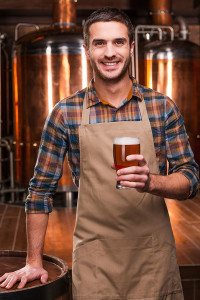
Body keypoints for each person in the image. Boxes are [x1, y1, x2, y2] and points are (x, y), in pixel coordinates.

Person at [0, 7, 199, 299]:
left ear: (132, 47)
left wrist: (152, 182)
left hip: (153, 259)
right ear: (87, 49)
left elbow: (191, 179)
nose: (110, 52)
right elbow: (40, 191)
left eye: (118, 42)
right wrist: (33, 261)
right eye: (100, 43)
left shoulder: (161, 107)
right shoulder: (65, 113)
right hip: (95, 263)